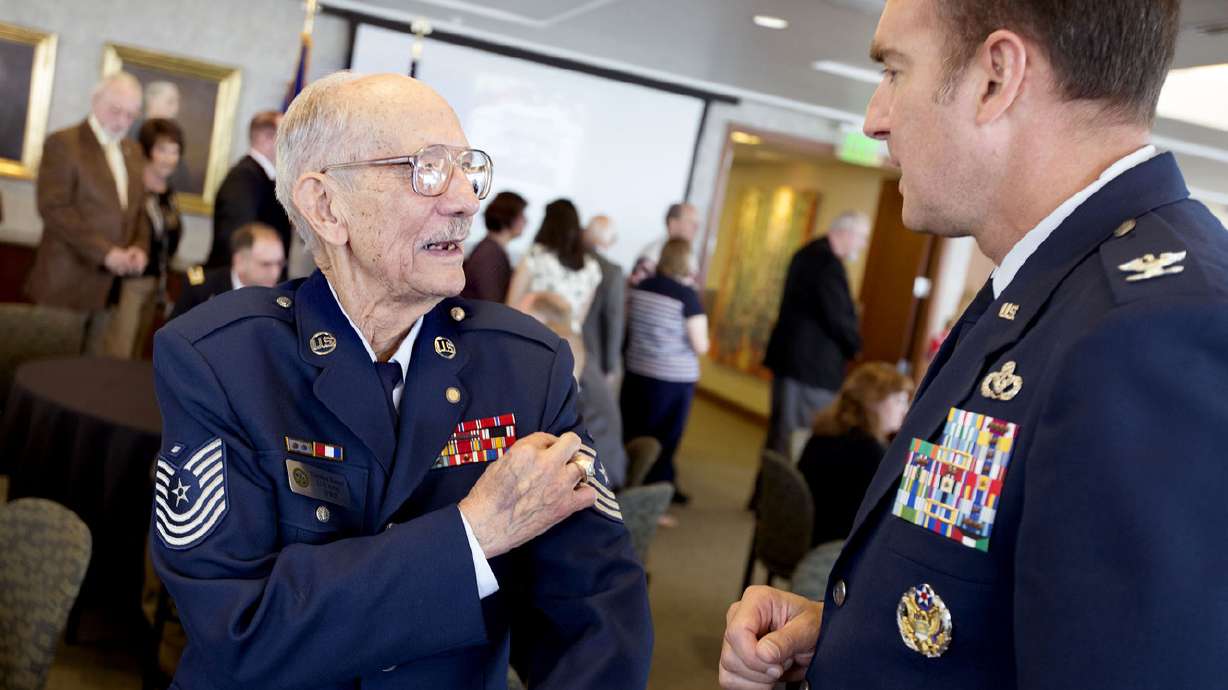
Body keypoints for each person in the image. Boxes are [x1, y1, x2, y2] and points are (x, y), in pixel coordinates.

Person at [719, 1, 1228, 688]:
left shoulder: (1148, 328)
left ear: (995, 78)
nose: (875, 118)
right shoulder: (1048, 288)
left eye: (895, 70)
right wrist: (851, 636)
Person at [151, 71, 651, 689]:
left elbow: (596, 611)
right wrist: (472, 535)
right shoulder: (221, 361)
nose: (467, 199)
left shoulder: (527, 367)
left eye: (469, 168)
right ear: (326, 205)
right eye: (427, 169)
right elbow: (240, 627)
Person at [26, 72, 147, 356]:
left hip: (110, 290)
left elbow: (138, 210)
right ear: (95, 101)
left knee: (87, 378)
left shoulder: (133, 150)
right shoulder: (64, 143)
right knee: (50, 371)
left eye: (131, 115)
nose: (122, 122)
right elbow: (54, 209)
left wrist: (139, 248)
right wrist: (106, 253)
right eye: (115, 110)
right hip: (65, 283)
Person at [762, 212, 870, 456]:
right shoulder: (826, 264)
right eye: (862, 237)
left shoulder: (809, 253)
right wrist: (855, 346)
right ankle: (783, 494)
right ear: (846, 233)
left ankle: (767, 494)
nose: (863, 244)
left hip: (795, 364)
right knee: (794, 441)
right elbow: (838, 317)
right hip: (809, 369)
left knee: (780, 437)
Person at [621, 239, 708, 505]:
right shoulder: (686, 296)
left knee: (634, 433)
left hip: (637, 372)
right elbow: (701, 345)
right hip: (673, 380)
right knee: (664, 440)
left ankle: (625, 488)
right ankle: (652, 499)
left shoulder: (640, 288)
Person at [521, 291, 628, 489]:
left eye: (522, 318)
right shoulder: (576, 349)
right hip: (604, 468)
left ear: (543, 322)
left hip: (595, 481)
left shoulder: (561, 360)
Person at [797, 362, 911, 547]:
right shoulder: (870, 452)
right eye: (899, 400)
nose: (905, 409)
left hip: (802, 532)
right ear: (873, 401)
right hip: (832, 546)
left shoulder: (826, 430)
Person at [110, 117, 185, 358]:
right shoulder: (132, 189)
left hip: (157, 284)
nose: (169, 158)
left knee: (136, 354)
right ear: (146, 150)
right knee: (117, 353)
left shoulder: (170, 194)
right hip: (128, 284)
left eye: (175, 151)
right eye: (162, 150)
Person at [208, 110, 292, 267]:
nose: (292, 144)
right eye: (286, 136)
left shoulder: (262, 176)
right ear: (266, 138)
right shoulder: (243, 178)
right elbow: (238, 238)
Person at [506, 198, 602, 334]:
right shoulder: (592, 268)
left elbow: (512, 305)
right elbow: (578, 321)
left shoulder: (535, 255)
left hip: (530, 334)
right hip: (565, 342)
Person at [169, 222, 285, 320]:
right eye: (265, 264)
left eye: (280, 264)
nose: (275, 273)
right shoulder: (202, 289)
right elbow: (172, 338)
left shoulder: (283, 296)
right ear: (239, 261)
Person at [581, 214, 625, 382]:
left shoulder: (566, 258)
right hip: (592, 354)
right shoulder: (612, 272)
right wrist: (610, 365)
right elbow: (614, 321)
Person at [461, 190, 527, 302]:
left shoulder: (491, 249)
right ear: (509, 217)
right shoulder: (490, 254)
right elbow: (491, 301)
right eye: (521, 215)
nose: (526, 221)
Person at [628, 202, 699, 286]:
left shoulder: (691, 256)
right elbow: (636, 289)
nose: (696, 228)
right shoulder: (651, 254)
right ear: (673, 223)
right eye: (690, 222)